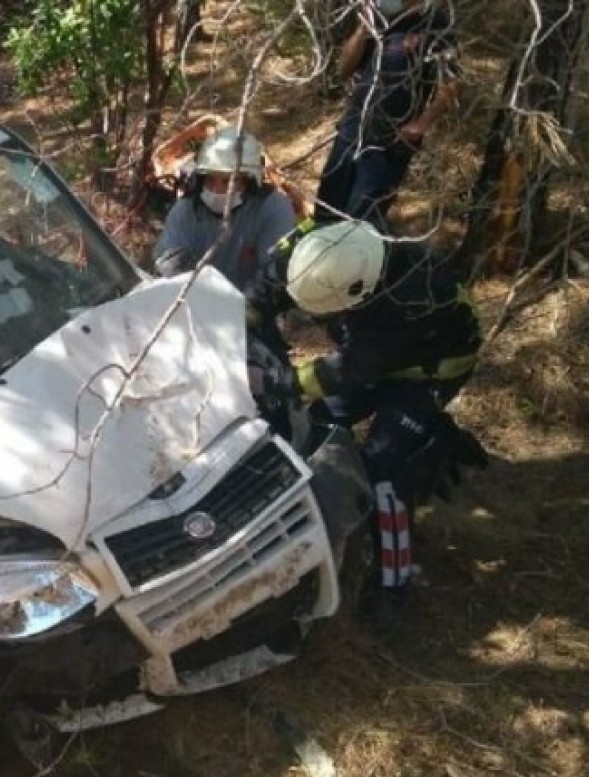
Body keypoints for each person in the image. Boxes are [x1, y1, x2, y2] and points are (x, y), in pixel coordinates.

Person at [250, 219, 485, 633]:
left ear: (357, 295)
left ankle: (393, 582)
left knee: (382, 471)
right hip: (368, 354)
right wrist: (244, 318)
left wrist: (276, 384)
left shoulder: (414, 299)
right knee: (316, 427)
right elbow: (267, 283)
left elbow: (344, 371)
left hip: (428, 370)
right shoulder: (319, 243)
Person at [315, 0, 462, 226]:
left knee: (359, 221)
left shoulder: (435, 24)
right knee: (326, 209)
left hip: (389, 145)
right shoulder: (378, 20)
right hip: (351, 133)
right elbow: (344, 71)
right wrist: (363, 29)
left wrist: (421, 124)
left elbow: (453, 84)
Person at [153, 127, 297, 293]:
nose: (217, 189)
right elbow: (167, 263)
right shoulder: (187, 210)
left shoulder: (272, 208)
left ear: (248, 181)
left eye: (228, 181)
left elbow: (275, 274)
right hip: (194, 304)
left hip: (249, 308)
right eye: (210, 179)